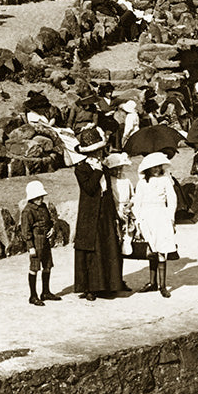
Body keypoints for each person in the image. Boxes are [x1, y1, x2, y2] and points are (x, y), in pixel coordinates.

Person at [72, 127, 123, 300]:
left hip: (104, 212)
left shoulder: (104, 168)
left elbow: (108, 192)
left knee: (107, 247)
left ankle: (109, 285)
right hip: (89, 214)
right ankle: (90, 288)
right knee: (91, 250)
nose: (99, 154)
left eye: (100, 151)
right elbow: (89, 188)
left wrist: (115, 215)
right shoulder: (82, 169)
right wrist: (98, 171)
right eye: (95, 152)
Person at [134, 152, 179, 297]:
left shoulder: (165, 180)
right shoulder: (142, 183)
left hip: (161, 216)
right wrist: (138, 220)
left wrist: (171, 218)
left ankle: (162, 286)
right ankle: (152, 282)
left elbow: (172, 199)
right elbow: (137, 202)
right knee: (152, 249)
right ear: (147, 169)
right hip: (147, 217)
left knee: (162, 249)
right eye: (154, 167)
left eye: (159, 167)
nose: (157, 169)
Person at [20, 181, 61, 306]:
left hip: (45, 240)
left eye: (41, 197)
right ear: (31, 198)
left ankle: (46, 292)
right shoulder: (27, 211)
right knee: (34, 267)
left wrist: (52, 228)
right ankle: (33, 296)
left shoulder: (43, 207)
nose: (40, 199)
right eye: (37, 197)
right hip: (36, 241)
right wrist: (30, 247)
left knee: (47, 266)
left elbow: (49, 220)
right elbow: (25, 231)